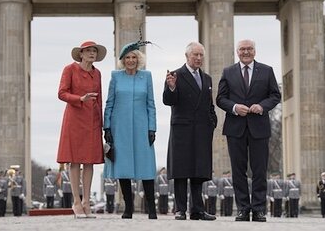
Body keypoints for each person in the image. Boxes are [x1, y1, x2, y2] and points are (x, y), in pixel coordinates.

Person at [216, 39, 281, 222]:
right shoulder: (228, 72)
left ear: (255, 51)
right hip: (235, 128)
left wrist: (262, 106)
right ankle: (243, 209)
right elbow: (220, 98)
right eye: (242, 49)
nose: (246, 52)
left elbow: (275, 95)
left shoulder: (267, 71)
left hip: (259, 127)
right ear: (237, 52)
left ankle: (259, 209)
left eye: (249, 49)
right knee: (238, 171)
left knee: (260, 170)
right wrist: (235, 107)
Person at [163, 41, 217, 221]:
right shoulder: (175, 75)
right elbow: (169, 101)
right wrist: (171, 87)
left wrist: (212, 122)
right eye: (195, 55)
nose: (199, 58)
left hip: (202, 130)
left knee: (198, 172)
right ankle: (180, 210)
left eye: (201, 55)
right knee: (181, 171)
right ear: (187, 56)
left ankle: (198, 210)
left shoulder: (207, 78)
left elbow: (209, 104)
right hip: (182, 130)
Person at [103, 41, 158, 219]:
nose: (131, 60)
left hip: (142, 127)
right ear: (122, 60)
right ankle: (128, 208)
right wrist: (107, 127)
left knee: (147, 167)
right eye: (127, 57)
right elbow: (109, 103)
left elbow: (151, 104)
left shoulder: (147, 76)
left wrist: (152, 128)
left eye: (134, 57)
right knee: (123, 167)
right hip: (121, 128)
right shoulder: (116, 77)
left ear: (139, 59)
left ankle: (151, 208)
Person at [57, 40, 107, 218]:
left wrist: (102, 124)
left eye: (94, 51)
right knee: (74, 160)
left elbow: (100, 99)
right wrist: (80, 98)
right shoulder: (69, 69)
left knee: (89, 161)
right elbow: (61, 93)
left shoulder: (98, 73)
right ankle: (76, 202)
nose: (92, 53)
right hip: (75, 117)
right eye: (88, 51)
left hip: (92, 120)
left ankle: (87, 201)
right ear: (81, 54)